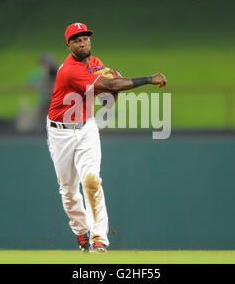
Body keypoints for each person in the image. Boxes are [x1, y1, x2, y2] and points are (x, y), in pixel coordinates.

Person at [46, 22, 167, 253]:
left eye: (86, 38)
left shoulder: (95, 64)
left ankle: (99, 238)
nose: (83, 43)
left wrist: (111, 92)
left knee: (91, 181)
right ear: (69, 45)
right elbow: (111, 83)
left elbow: (108, 98)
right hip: (60, 131)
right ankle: (81, 232)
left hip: (86, 128)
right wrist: (148, 79)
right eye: (77, 40)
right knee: (69, 190)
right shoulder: (70, 70)